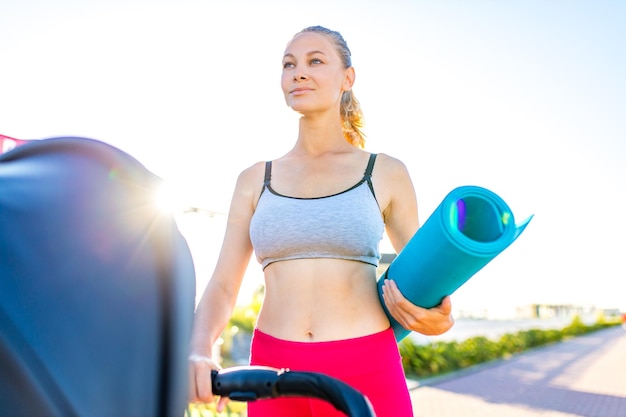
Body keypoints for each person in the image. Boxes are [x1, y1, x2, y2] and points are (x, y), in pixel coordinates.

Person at [188, 25, 454, 416]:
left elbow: (425, 272)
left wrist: (440, 317)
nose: (298, 72)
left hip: (366, 363)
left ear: (348, 77)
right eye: (288, 64)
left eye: (315, 61)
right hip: (272, 372)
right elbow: (225, 284)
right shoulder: (253, 180)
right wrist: (198, 349)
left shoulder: (385, 173)